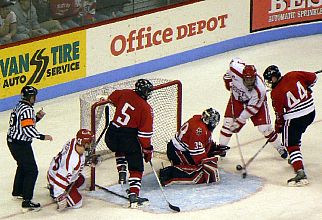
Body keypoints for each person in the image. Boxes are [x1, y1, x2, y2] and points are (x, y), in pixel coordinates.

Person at [219, 58, 288, 159]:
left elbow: (252, 109)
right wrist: (228, 81)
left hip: (255, 104)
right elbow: (232, 66)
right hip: (237, 98)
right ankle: (221, 148)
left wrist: (240, 121)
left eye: (252, 79)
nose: (250, 82)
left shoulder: (260, 90)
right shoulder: (235, 69)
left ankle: (279, 147)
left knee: (265, 128)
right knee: (228, 124)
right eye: (247, 79)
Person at [263, 65, 317, 186]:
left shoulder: (275, 93)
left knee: (290, 144)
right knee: (295, 135)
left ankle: (300, 173)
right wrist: (306, 87)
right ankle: (296, 158)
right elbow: (313, 78)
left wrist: (278, 127)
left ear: (274, 78)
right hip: (310, 112)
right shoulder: (293, 74)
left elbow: (279, 114)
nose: (268, 83)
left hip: (295, 118)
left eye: (269, 79)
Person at [104, 79, 153, 208]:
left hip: (111, 135)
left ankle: (121, 172)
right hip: (128, 139)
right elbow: (144, 137)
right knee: (136, 167)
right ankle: (134, 196)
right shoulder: (146, 108)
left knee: (119, 147)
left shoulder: (125, 93)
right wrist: (147, 151)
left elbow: (112, 97)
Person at [7, 85, 53, 212]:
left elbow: (23, 124)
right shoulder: (27, 110)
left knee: (22, 165)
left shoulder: (19, 106)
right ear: (30, 97)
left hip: (13, 141)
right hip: (20, 144)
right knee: (32, 170)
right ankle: (27, 200)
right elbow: (27, 130)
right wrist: (42, 136)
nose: (36, 99)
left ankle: (18, 191)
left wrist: (37, 117)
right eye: (34, 97)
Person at [159, 108, 230, 186]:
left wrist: (214, 148)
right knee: (202, 173)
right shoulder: (199, 130)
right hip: (178, 153)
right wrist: (207, 163)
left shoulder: (201, 122)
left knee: (208, 164)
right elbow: (198, 156)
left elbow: (203, 141)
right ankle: (168, 174)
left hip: (183, 149)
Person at [47, 129, 94, 211]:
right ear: (85, 143)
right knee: (77, 203)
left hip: (57, 169)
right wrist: (59, 197)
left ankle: (66, 191)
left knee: (82, 182)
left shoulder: (73, 141)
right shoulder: (72, 161)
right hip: (55, 179)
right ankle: (53, 191)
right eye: (90, 142)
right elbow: (60, 179)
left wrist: (89, 161)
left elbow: (77, 159)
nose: (91, 144)